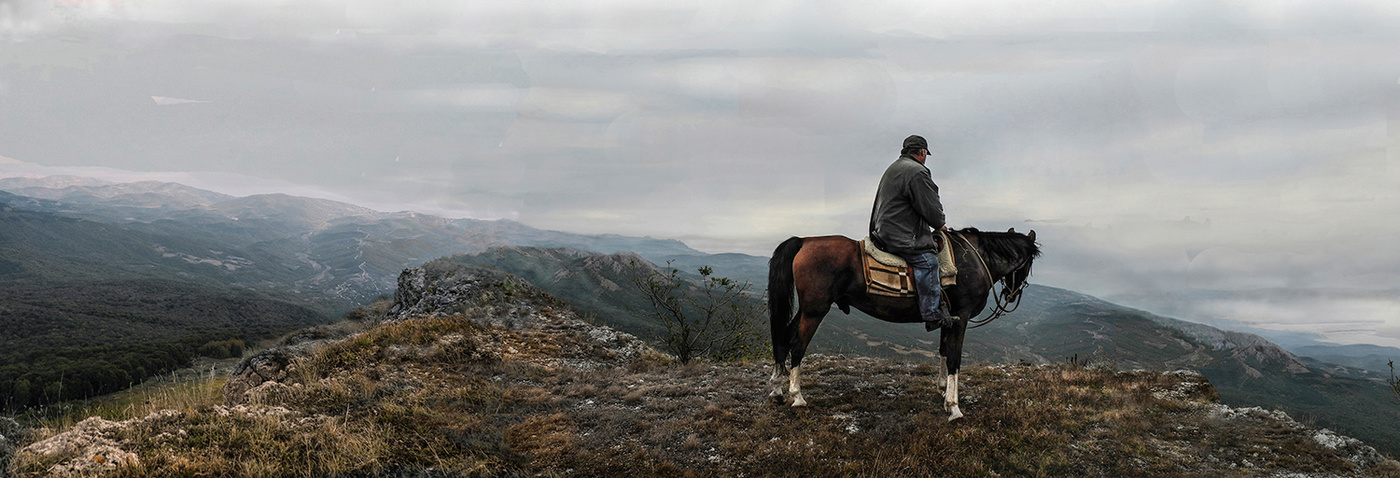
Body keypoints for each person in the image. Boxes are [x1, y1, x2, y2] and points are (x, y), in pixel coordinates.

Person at [869, 135, 958, 332]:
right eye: (926, 154)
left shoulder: (893, 168)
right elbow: (930, 206)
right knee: (929, 262)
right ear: (922, 152)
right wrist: (940, 224)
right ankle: (932, 314)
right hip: (901, 235)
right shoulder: (917, 172)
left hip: (883, 230)